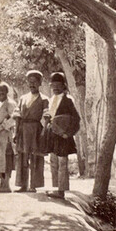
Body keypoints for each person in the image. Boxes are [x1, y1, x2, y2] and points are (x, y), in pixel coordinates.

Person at [43, 71, 81, 199]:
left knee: (62, 162)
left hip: (63, 136)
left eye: (58, 85)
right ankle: (55, 188)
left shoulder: (68, 100)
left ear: (63, 86)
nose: (55, 88)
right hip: (53, 134)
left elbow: (76, 119)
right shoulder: (51, 99)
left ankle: (61, 190)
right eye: (53, 85)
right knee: (53, 161)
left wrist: (68, 133)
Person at [12, 70, 47, 193]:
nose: (32, 85)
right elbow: (17, 116)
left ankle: (33, 185)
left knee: (35, 157)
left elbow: (46, 117)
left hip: (36, 130)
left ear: (40, 83)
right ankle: (23, 185)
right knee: (22, 157)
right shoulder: (23, 98)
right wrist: (16, 133)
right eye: (30, 82)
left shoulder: (44, 99)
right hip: (23, 129)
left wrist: (43, 133)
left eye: (35, 82)